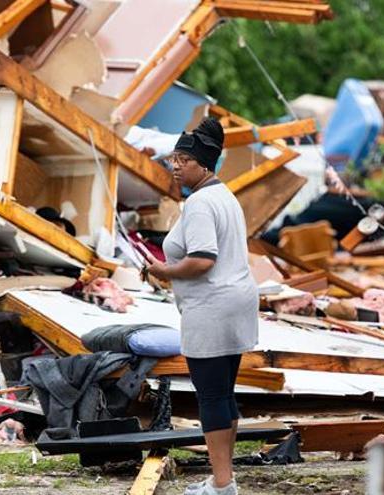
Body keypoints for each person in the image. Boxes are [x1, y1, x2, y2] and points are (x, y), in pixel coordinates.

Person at [143, 117, 257, 495]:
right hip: (235, 302)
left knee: (210, 396)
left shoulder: (201, 204)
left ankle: (223, 485)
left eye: (183, 160)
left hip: (212, 308)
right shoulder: (225, 196)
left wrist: (164, 270)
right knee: (224, 394)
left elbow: (203, 259)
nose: (175, 166)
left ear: (203, 164)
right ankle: (224, 481)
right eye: (173, 158)